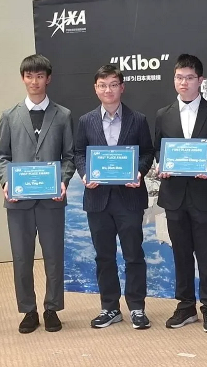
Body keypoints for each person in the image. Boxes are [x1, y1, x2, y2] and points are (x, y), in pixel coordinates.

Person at [0, 54, 75, 333]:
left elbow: (69, 156)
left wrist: (64, 180)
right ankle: (28, 310)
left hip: (52, 200)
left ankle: (52, 308)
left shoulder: (63, 115)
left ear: (48, 79)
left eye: (39, 76)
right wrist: (6, 181)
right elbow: (2, 156)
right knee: (21, 258)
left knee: (54, 257)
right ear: (23, 78)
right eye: (29, 76)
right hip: (18, 201)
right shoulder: (9, 115)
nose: (34, 81)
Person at [74, 65, 155, 329]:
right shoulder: (85, 121)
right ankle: (109, 308)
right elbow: (78, 153)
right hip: (98, 199)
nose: (108, 90)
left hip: (129, 199)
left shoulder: (138, 119)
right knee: (104, 256)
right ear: (95, 89)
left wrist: (139, 172)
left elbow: (147, 152)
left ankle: (137, 308)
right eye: (102, 85)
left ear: (122, 87)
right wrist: (85, 174)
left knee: (134, 255)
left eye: (113, 84)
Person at [154, 54, 207, 333]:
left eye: (189, 78)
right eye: (179, 77)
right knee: (181, 254)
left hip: (204, 194)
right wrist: (161, 165)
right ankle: (185, 306)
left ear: (200, 80)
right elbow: (159, 149)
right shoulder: (163, 114)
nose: (183, 83)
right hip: (174, 195)